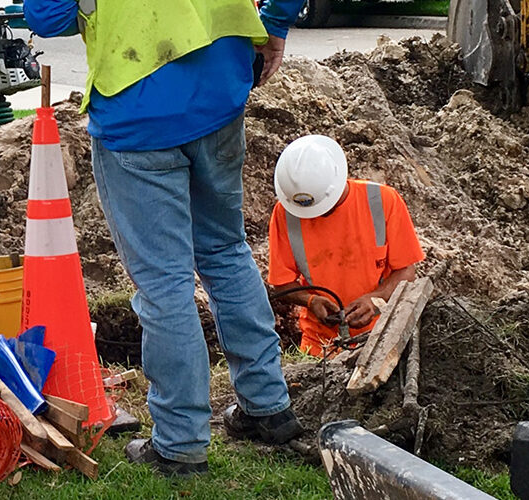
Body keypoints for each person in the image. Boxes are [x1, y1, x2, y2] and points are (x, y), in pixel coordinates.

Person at [26, 0, 305, 477]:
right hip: (219, 84)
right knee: (225, 250)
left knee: (164, 282)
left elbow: (47, 17)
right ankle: (268, 408)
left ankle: (181, 443)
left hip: (137, 104)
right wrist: (275, 23)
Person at [268, 135, 426, 357]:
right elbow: (282, 285)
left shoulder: (381, 201)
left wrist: (375, 299)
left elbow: (406, 271)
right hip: (319, 344)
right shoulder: (286, 214)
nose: (316, 215)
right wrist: (311, 301)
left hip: (381, 336)